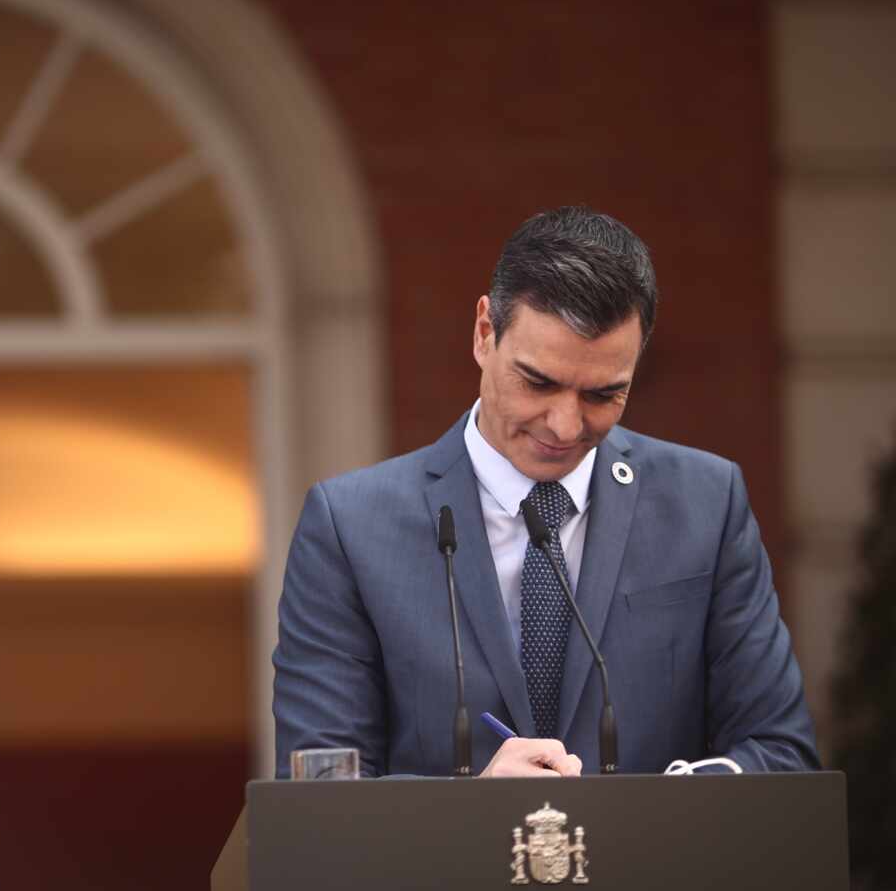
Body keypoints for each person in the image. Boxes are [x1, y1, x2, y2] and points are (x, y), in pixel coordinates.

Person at [272, 206, 819, 778]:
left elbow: (782, 754)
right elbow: (319, 788)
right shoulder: (349, 527)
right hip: (447, 872)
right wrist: (471, 812)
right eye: (538, 383)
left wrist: (663, 809)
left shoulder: (708, 504)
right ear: (485, 334)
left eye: (603, 395)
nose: (564, 425)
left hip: (655, 867)